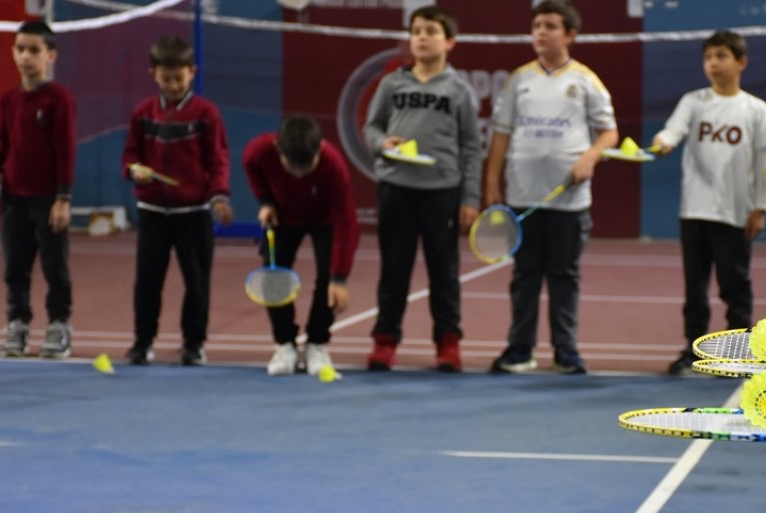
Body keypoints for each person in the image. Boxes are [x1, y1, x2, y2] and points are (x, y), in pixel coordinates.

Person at [484, 0, 618, 374]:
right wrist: (492, 182)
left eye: (550, 26)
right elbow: (501, 133)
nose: (540, 32)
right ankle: (519, 349)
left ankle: (566, 350)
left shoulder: (586, 80)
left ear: (570, 34)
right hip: (523, 195)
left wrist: (590, 158)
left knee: (564, 276)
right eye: (536, 25)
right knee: (525, 276)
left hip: (568, 200)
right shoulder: (519, 80)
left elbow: (610, 133)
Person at [651, 30, 766, 375]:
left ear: (741, 62)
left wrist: (759, 208)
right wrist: (662, 142)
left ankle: (738, 351)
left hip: (734, 213)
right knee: (695, 289)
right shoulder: (694, 102)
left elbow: (762, 165)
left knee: (734, 286)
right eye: (708, 57)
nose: (713, 64)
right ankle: (693, 349)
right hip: (694, 210)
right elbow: (672, 131)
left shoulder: (755, 109)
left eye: (721, 56)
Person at [363, 5, 482, 373]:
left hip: (441, 191)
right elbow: (371, 129)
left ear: (449, 42)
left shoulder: (460, 91)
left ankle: (448, 344)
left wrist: (470, 198)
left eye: (430, 31)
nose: (421, 37)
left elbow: (471, 147)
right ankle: (385, 342)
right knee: (394, 270)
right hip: (397, 188)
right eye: (416, 31)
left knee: (443, 272)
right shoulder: (392, 83)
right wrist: (384, 144)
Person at [121, 37, 233, 366]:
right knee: (147, 281)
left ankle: (194, 344)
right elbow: (130, 155)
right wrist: (133, 170)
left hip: (193, 213)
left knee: (197, 283)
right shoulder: (142, 113)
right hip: (153, 212)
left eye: (178, 78)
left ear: (192, 73)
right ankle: (142, 342)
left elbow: (218, 159)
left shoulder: (206, 114)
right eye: (165, 78)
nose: (172, 85)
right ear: (153, 73)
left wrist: (220, 196)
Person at [243, 116, 359, 377]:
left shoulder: (333, 166)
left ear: (319, 150)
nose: (299, 173)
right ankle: (285, 345)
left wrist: (339, 278)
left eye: (307, 166)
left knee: (327, 281)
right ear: (278, 150)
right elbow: (251, 168)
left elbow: (346, 224)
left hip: (325, 220)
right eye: (292, 166)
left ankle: (317, 345)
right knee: (274, 278)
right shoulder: (259, 151)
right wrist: (265, 201)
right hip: (283, 217)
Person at [0, 21, 76, 360]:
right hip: (13, 198)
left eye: (34, 50)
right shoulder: (9, 99)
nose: (26, 56)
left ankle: (58, 325)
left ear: (50, 55)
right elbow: (4, 141)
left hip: (48, 199)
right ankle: (18, 324)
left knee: (55, 266)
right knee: (15, 267)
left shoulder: (60, 99)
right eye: (20, 49)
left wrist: (63, 198)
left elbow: (65, 149)